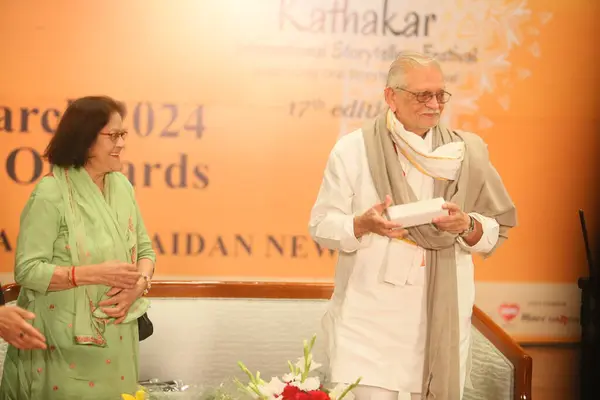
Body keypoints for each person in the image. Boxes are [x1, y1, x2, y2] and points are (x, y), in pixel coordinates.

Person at [309, 51, 517, 400]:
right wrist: (361, 224)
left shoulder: (468, 152)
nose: (434, 104)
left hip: (441, 318)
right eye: (422, 95)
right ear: (391, 96)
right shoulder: (352, 150)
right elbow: (322, 225)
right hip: (370, 322)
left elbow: (495, 228)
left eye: (440, 95)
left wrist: (466, 225)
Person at [0, 96, 156, 399]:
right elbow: (28, 270)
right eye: (113, 136)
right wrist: (92, 274)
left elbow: (146, 252)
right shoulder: (51, 192)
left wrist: (139, 284)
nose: (122, 143)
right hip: (61, 347)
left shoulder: (121, 186)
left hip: (120, 339)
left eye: (123, 134)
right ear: (85, 140)